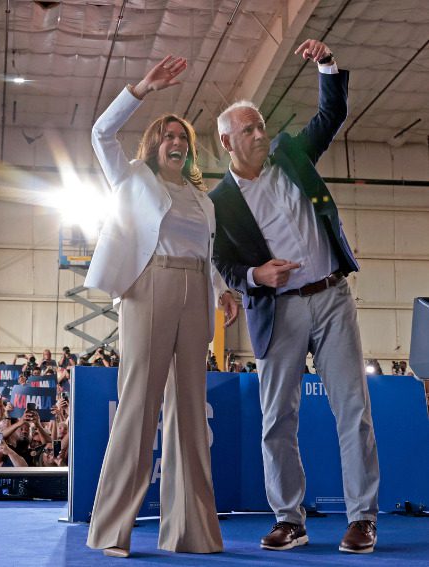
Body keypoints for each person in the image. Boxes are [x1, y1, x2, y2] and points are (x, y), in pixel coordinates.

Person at [210, 39, 380, 554]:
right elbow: (223, 263)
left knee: (353, 409)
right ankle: (290, 519)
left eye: (261, 126)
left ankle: (363, 519)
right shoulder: (219, 202)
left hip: (332, 298)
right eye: (249, 130)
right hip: (277, 310)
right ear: (226, 142)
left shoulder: (290, 153)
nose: (260, 134)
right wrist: (255, 275)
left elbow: (331, 115)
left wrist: (327, 65)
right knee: (277, 420)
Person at [83, 55, 238, 558]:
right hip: (148, 287)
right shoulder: (131, 178)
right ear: (154, 144)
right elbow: (101, 133)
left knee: (191, 411)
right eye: (168, 136)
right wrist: (141, 89)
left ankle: (191, 533)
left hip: (197, 292)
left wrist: (222, 289)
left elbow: (205, 252)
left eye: (183, 138)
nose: (177, 142)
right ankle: (112, 531)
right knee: (139, 404)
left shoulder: (202, 199)